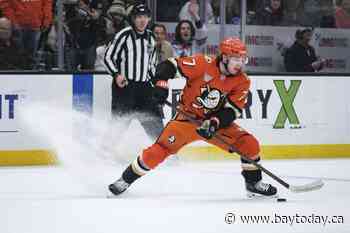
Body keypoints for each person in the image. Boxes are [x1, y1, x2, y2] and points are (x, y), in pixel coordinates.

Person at [108, 37, 278, 198]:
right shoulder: (203, 63)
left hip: (213, 125)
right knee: (158, 151)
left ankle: (253, 184)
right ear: (224, 57)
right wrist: (161, 83)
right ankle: (124, 180)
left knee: (249, 144)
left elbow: (233, 110)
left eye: (242, 59)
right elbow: (169, 65)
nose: (240, 64)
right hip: (186, 119)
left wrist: (214, 122)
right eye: (236, 59)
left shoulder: (242, 80)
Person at [103, 3, 164, 141]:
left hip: (144, 88)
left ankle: (164, 153)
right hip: (125, 87)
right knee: (119, 123)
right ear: (133, 19)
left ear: (149, 19)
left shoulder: (151, 37)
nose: (142, 20)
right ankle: (105, 151)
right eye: (139, 17)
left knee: (155, 122)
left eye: (145, 17)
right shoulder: (124, 35)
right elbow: (107, 57)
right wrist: (116, 75)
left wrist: (154, 83)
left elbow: (152, 64)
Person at [0, 0, 52, 67]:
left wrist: (46, 20)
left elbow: (47, 3)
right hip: (17, 26)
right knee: (16, 56)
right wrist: (13, 20)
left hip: (35, 25)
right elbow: (4, 3)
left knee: (30, 58)